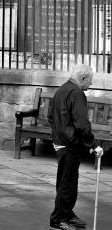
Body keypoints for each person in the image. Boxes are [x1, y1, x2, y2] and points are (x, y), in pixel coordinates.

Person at [48, 64, 103, 230]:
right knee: (68, 183)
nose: (91, 85)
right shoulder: (77, 93)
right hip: (69, 144)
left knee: (65, 181)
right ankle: (58, 219)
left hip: (61, 141)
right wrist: (93, 145)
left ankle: (66, 213)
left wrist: (58, 136)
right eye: (90, 81)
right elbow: (82, 124)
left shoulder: (62, 89)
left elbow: (51, 117)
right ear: (83, 78)